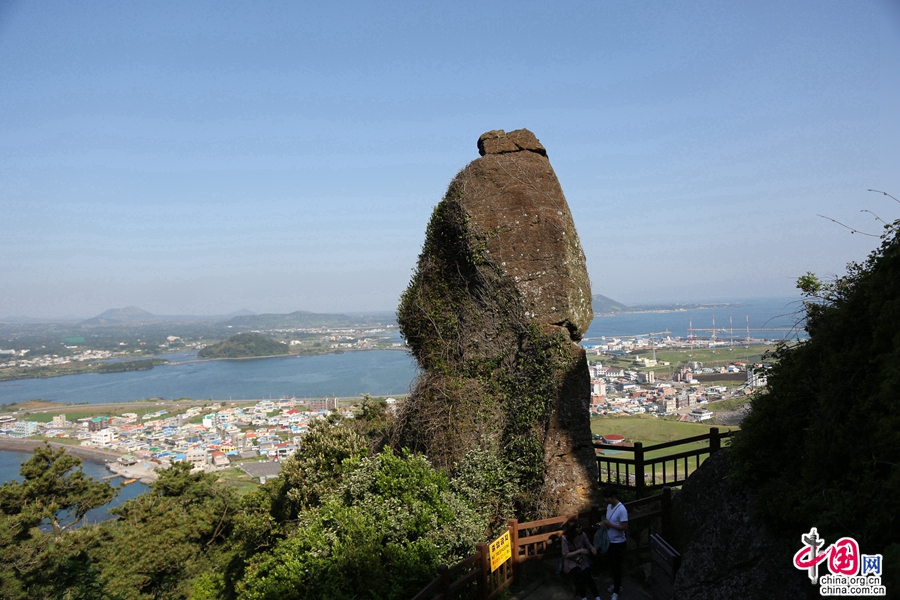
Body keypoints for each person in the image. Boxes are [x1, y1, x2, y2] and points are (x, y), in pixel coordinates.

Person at [561, 518, 600, 600]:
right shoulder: (565, 538)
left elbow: (588, 544)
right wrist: (580, 550)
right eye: (578, 527)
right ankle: (583, 597)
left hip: (581, 559)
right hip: (571, 560)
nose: (580, 528)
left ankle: (597, 596)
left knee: (587, 574)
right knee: (578, 574)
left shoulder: (583, 535)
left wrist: (592, 548)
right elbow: (566, 555)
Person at [600, 487, 628, 600]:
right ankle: (617, 586)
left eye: (607, 498)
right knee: (612, 566)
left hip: (618, 543)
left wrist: (609, 525)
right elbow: (609, 520)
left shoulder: (622, 510)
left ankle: (616, 591)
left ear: (613, 497)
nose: (606, 500)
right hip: (609, 541)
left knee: (617, 567)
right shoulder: (609, 506)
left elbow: (624, 527)